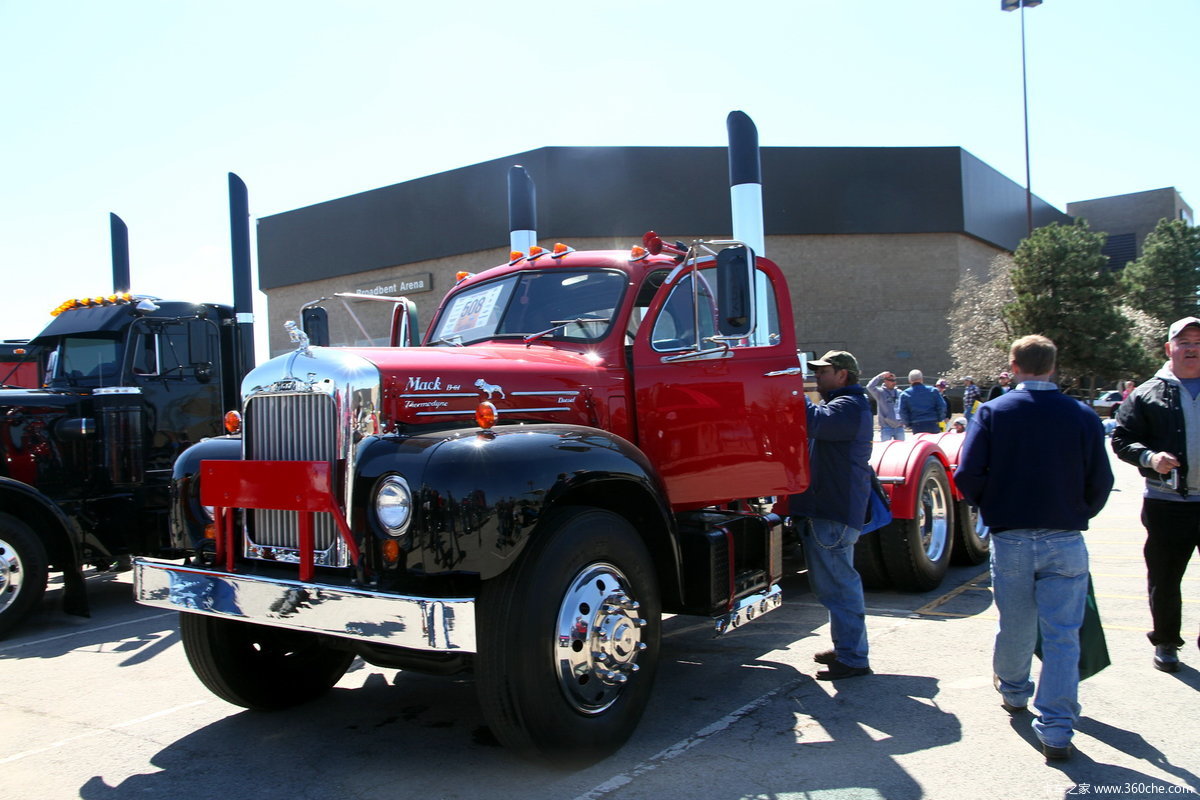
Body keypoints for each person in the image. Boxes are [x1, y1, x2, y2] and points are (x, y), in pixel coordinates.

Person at [954, 335, 1113, 762]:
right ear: (1053, 366)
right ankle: (1058, 727)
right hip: (1065, 535)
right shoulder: (1081, 415)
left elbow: (967, 474)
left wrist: (993, 505)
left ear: (1013, 366)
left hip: (1012, 535)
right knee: (1063, 635)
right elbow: (1101, 480)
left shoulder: (993, 412)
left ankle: (1014, 688)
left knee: (1016, 621)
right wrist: (1078, 510)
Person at [1112, 316, 1200, 674]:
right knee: (1164, 579)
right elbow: (1121, 439)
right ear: (1169, 349)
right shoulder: (1147, 393)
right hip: (1167, 504)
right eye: (1184, 343)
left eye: (1198, 342)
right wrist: (1150, 457)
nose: (1192, 349)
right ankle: (1166, 641)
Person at [788, 350, 873, 680]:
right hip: (829, 510)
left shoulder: (849, 406)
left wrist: (791, 388)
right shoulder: (844, 405)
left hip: (833, 512)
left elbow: (812, 422)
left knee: (839, 586)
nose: (816, 377)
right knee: (833, 586)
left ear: (842, 375)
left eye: (823, 371)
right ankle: (847, 648)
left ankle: (853, 657)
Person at [898, 369, 946, 434]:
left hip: (916, 424)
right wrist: (940, 419)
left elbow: (902, 412)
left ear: (909, 380)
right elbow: (942, 406)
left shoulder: (905, 394)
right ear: (921, 379)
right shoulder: (933, 391)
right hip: (933, 422)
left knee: (921, 443)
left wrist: (908, 424)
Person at [866, 370, 905, 441]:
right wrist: (880, 376)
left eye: (894, 380)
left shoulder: (899, 392)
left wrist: (903, 421)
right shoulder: (880, 392)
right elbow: (869, 387)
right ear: (885, 381)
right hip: (886, 427)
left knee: (901, 449)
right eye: (891, 380)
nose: (894, 382)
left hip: (899, 427)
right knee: (885, 449)